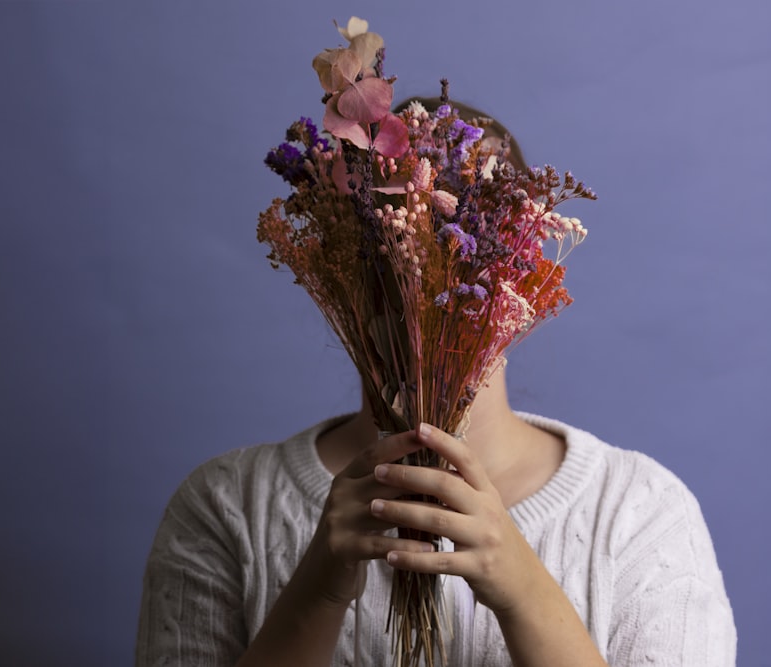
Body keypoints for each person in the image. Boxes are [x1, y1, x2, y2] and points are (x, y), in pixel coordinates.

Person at [135, 102, 737, 667]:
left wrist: (525, 591)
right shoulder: (227, 505)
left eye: (461, 254)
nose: (422, 288)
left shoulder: (639, 513)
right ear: (338, 268)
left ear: (522, 274)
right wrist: (317, 591)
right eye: (389, 254)